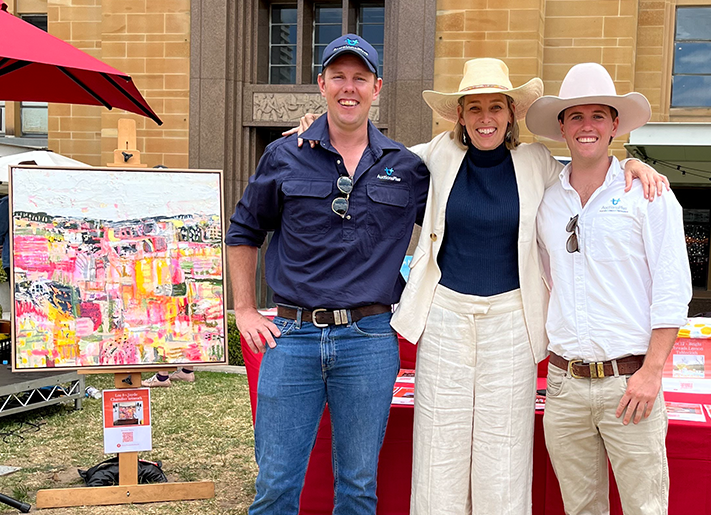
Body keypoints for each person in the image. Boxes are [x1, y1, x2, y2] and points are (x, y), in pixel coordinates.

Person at [287, 58, 669, 515]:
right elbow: (368, 157)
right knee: (437, 447)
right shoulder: (432, 157)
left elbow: (588, 168)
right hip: (444, 315)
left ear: (510, 114)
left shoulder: (536, 162)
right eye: (474, 108)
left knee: (504, 452)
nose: (485, 118)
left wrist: (630, 165)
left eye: (495, 107)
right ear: (460, 116)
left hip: (512, 320)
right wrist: (321, 129)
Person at [225, 34, 430, 515]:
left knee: (358, 486)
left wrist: (623, 163)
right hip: (291, 337)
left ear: (377, 87)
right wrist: (244, 309)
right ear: (321, 83)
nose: (349, 87)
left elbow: (469, 194)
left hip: (370, 339)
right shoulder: (283, 155)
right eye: (338, 76)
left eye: (360, 77)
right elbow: (243, 232)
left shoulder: (407, 167)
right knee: (276, 483)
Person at [528, 62, 692, 515]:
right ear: (562, 127)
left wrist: (652, 371)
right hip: (564, 385)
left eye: (598, 115)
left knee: (645, 507)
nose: (587, 127)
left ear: (615, 124)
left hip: (630, 382)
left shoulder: (650, 195)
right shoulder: (545, 197)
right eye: (575, 116)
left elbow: (672, 289)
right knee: (580, 508)